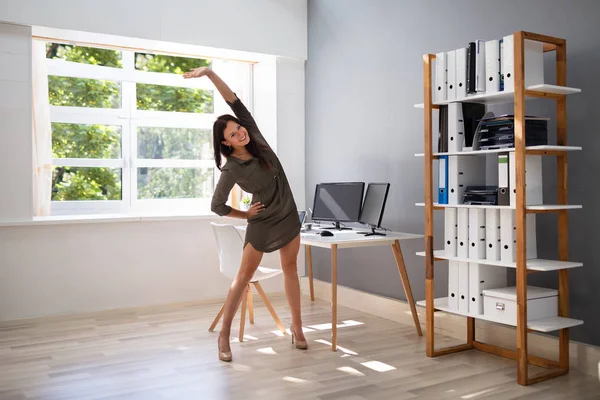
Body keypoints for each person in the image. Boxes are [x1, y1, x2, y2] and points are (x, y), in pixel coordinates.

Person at [183, 67, 307, 362]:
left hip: (288, 215)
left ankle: (298, 327)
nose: (240, 133)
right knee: (243, 277)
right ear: (226, 142)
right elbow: (217, 205)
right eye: (233, 134)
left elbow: (233, 101)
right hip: (263, 223)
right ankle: (224, 336)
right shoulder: (232, 168)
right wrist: (246, 214)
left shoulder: (256, 139)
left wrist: (210, 74)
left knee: (291, 269)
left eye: (240, 128)